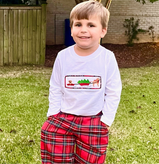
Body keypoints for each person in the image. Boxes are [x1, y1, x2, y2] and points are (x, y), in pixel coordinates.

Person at [41, 0, 122, 163]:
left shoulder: (107, 57)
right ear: (71, 30)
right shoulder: (63, 56)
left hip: (94, 119)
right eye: (78, 24)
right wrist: (53, 112)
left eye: (91, 25)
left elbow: (113, 90)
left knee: (90, 159)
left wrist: (106, 119)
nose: (83, 30)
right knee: (52, 146)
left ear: (103, 31)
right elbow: (55, 86)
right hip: (63, 116)